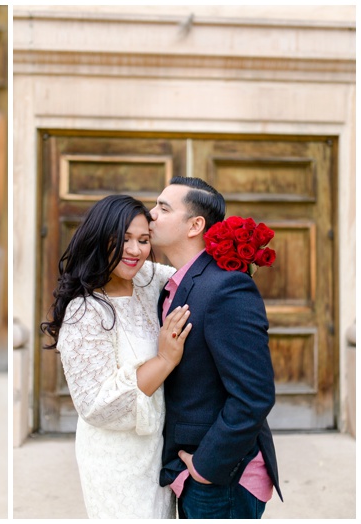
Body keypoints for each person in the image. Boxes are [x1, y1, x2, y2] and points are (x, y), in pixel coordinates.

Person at [41, 194, 193, 519]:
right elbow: (97, 405)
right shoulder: (84, 311)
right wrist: (164, 361)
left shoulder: (148, 280)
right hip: (114, 460)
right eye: (123, 239)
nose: (135, 250)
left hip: (157, 451)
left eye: (143, 240)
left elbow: (195, 274)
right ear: (100, 238)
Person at [149, 176, 282, 519]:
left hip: (222, 479)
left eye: (163, 208)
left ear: (195, 225)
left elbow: (255, 393)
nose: (151, 214)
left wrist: (206, 467)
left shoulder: (227, 288)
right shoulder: (174, 285)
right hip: (191, 473)